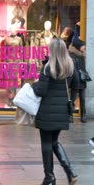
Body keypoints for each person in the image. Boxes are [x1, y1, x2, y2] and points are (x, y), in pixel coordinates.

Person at [32, 38, 78, 185]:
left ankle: (49, 177)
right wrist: (71, 99)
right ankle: (70, 171)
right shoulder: (70, 66)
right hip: (63, 111)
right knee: (54, 142)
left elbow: (41, 91)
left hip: (46, 111)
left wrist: (34, 86)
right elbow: (77, 86)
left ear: (52, 50)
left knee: (46, 143)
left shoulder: (48, 67)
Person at [69, 39, 88, 123]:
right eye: (83, 45)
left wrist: (86, 75)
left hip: (82, 80)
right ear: (78, 47)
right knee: (73, 98)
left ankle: (83, 115)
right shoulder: (72, 56)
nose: (85, 47)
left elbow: (83, 68)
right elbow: (73, 70)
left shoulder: (82, 55)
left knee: (83, 98)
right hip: (76, 80)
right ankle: (70, 115)